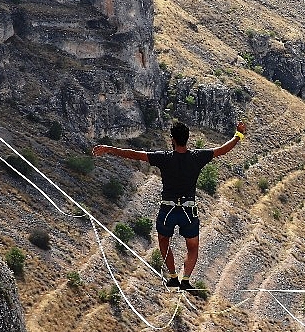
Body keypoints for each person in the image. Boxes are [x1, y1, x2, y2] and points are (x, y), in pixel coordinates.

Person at [92, 120, 248, 291]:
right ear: (187, 139)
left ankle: (173, 277)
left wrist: (109, 149)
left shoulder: (164, 158)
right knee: (193, 247)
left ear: (172, 139)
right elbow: (223, 150)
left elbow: (136, 154)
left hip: (168, 210)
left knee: (163, 241)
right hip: (188, 211)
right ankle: (186, 280)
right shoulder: (197, 157)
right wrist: (238, 134)